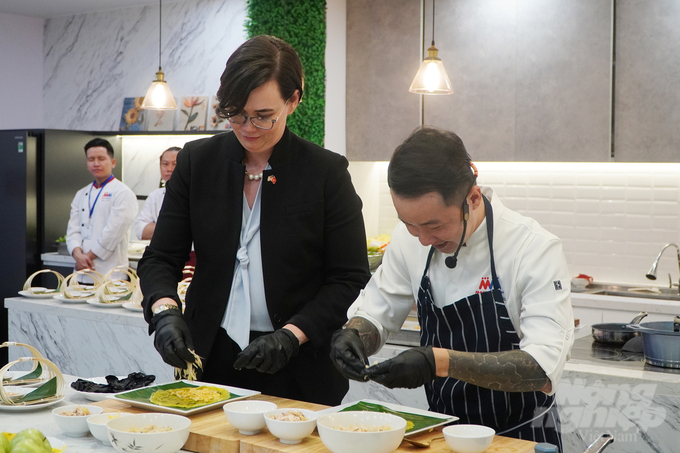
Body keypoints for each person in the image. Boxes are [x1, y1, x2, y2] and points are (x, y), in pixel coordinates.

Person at [137, 35, 371, 405]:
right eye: (236, 113)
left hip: (299, 361)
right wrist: (164, 311)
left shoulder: (325, 172)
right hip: (210, 354)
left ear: (293, 100)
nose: (247, 128)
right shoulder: (198, 163)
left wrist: (292, 334)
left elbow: (349, 275)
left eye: (263, 116)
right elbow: (161, 258)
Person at [330, 127, 574, 449]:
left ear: (472, 199)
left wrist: (438, 361)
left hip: (519, 437)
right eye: (409, 225)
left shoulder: (532, 248)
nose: (423, 239)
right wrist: (355, 335)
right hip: (443, 437)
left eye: (435, 226)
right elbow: (379, 309)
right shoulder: (410, 240)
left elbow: (540, 369)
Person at [66, 138, 138, 280]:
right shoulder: (81, 194)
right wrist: (77, 254)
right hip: (81, 274)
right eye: (91, 159)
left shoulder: (123, 193)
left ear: (113, 162)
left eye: (101, 158)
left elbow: (113, 233)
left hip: (111, 274)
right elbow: (73, 230)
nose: (96, 163)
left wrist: (87, 258)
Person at [134, 146, 181, 241]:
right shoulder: (155, 196)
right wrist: (173, 228)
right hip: (162, 253)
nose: (169, 169)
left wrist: (156, 227)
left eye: (175, 164)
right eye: (165, 164)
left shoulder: (196, 195)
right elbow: (140, 230)